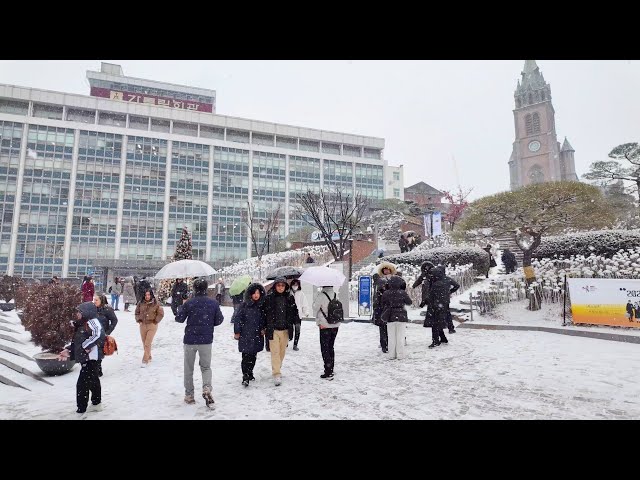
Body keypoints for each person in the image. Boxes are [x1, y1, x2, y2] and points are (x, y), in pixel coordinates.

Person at [175, 278, 223, 407]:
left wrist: (182, 304)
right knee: (206, 367)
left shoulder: (189, 303)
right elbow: (219, 320)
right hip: (206, 340)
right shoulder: (213, 303)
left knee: (188, 368)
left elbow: (179, 319)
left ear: (195, 289)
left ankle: (189, 395)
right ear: (206, 288)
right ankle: (207, 388)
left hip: (190, 340)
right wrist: (208, 323)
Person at [57, 301, 105, 415]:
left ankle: (81, 409)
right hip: (87, 358)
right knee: (93, 380)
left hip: (92, 358)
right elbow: (78, 342)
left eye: (79, 312)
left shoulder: (93, 321)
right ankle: (96, 404)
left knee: (82, 384)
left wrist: (86, 345)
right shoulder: (82, 324)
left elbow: (98, 334)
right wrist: (69, 350)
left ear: (87, 312)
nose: (77, 314)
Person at [264, 276, 299, 386]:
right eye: (278, 285)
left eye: (282, 285)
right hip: (273, 329)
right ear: (275, 286)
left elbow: (294, 311)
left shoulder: (289, 298)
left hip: (285, 329)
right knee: (275, 352)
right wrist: (264, 326)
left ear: (285, 286)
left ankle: (277, 367)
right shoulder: (269, 298)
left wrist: (296, 321)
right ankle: (276, 373)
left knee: (282, 352)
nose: (280, 287)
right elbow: (265, 313)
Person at [233, 283, 267, 387]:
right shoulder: (244, 306)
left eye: (258, 293)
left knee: (253, 355)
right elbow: (237, 319)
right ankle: (245, 376)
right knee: (246, 356)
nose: (256, 295)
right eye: (254, 293)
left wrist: (263, 328)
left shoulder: (261, 306)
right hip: (245, 334)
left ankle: (250, 372)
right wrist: (237, 332)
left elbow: (264, 319)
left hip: (257, 334)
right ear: (250, 294)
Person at [426, 266, 459, 348]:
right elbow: (457, 285)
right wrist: (449, 292)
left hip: (436, 304)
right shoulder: (447, 279)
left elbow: (431, 295)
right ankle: (444, 337)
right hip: (444, 302)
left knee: (435, 323)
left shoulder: (435, 283)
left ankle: (436, 341)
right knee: (441, 319)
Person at [381, 275, 412, 360]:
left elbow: (382, 304)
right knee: (400, 336)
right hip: (401, 316)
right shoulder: (402, 292)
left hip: (390, 316)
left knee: (391, 337)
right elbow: (409, 302)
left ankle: (392, 355)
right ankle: (400, 355)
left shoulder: (386, 293)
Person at [313, 285, 340, 379]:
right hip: (335, 325)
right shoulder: (336, 294)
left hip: (325, 325)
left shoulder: (321, 295)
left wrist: (316, 299)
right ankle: (331, 368)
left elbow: (315, 308)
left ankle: (328, 371)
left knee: (325, 348)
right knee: (331, 347)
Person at [135, 289, 164, 367]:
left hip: (152, 325)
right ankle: (149, 356)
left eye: (148, 295)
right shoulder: (140, 303)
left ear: (151, 295)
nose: (147, 296)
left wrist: (155, 321)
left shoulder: (156, 303)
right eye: (146, 295)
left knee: (148, 343)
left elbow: (160, 313)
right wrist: (139, 320)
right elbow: (136, 312)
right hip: (143, 325)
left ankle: (145, 360)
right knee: (144, 343)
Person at [373, 262, 396, 353]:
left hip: (390, 306)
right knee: (382, 327)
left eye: (387, 269)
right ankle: (384, 344)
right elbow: (377, 294)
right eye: (384, 269)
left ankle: (389, 343)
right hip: (381, 306)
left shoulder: (394, 279)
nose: (386, 271)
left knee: (390, 327)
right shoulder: (380, 280)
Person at [93, 293, 118, 377]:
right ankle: (95, 369)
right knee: (93, 351)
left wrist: (108, 332)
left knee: (99, 351)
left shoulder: (107, 309)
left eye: (96, 300)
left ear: (101, 300)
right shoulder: (93, 309)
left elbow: (114, 320)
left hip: (102, 334)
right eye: (94, 299)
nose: (94, 301)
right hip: (93, 333)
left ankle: (98, 370)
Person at [290, 278, 309, 351]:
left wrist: (306, 312)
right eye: (293, 284)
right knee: (289, 330)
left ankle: (295, 344)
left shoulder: (301, 293)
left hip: (298, 314)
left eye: (296, 285)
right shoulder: (289, 293)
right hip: (289, 314)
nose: (295, 286)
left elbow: (304, 304)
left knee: (297, 330)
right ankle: (286, 342)